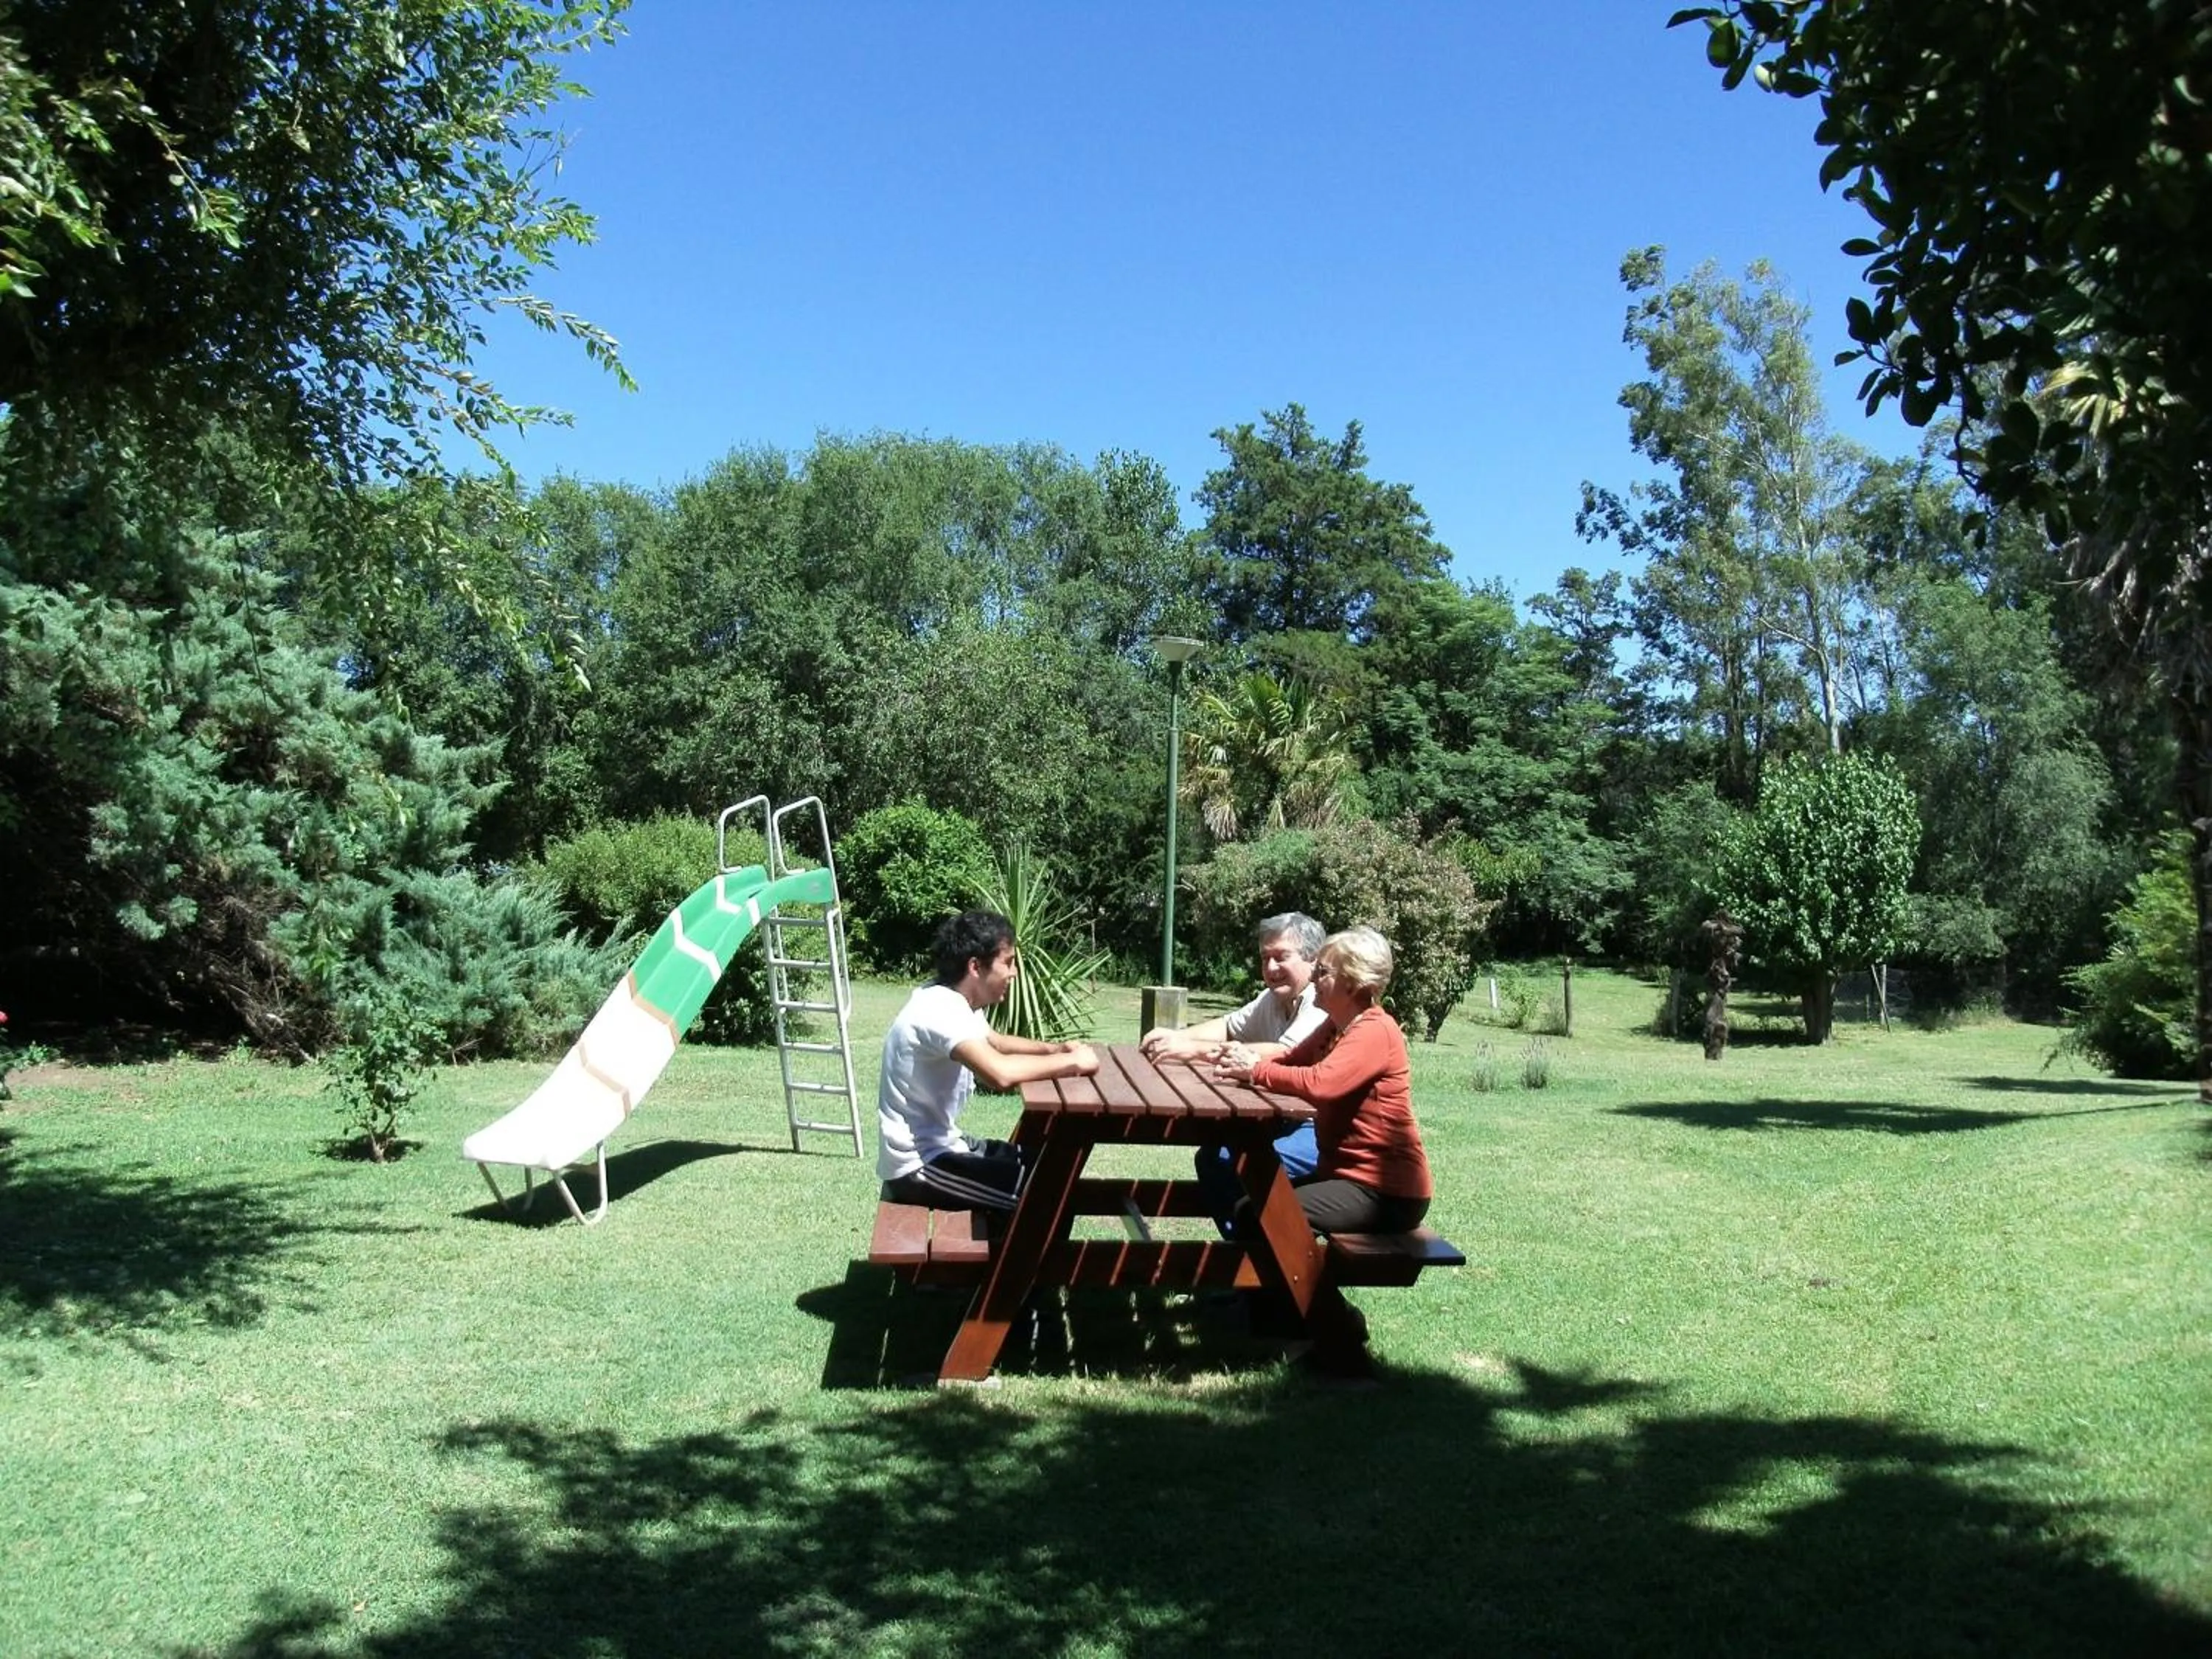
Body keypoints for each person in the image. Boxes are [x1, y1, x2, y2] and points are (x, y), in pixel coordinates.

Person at [877, 909, 1100, 1214]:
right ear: (975, 967)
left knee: (1044, 1168)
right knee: (1046, 1194)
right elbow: (1000, 1073)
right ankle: (1019, 1262)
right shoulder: (939, 1010)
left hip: (943, 1146)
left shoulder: (954, 999)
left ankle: (1007, 1255)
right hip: (919, 1166)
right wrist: (1073, 1063)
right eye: (1007, 963)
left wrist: (1056, 1049)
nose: (1014, 973)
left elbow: (996, 1042)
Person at [1215, 925, 1431, 1237]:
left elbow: (1321, 1084)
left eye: (1323, 971)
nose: (1313, 978)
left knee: (1261, 1213)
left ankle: (1283, 1287)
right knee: (1253, 1204)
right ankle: (1261, 1285)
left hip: (1386, 1192)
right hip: (1347, 1178)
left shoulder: (1375, 1030)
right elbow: (1291, 1061)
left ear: (1355, 981)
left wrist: (1255, 1071)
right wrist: (1243, 1061)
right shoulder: (1336, 1026)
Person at [1144, 912, 1334, 1230]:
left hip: (1319, 1131)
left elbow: (1284, 1054)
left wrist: (1194, 1050)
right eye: (1265, 958)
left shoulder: (1320, 1002)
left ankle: (1259, 1263)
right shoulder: (1274, 999)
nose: (1271, 969)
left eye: (1281, 957)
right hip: (1281, 1120)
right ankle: (1247, 1258)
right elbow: (1229, 1026)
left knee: (1238, 1164)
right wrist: (1177, 1036)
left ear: (1313, 960)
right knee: (1213, 1159)